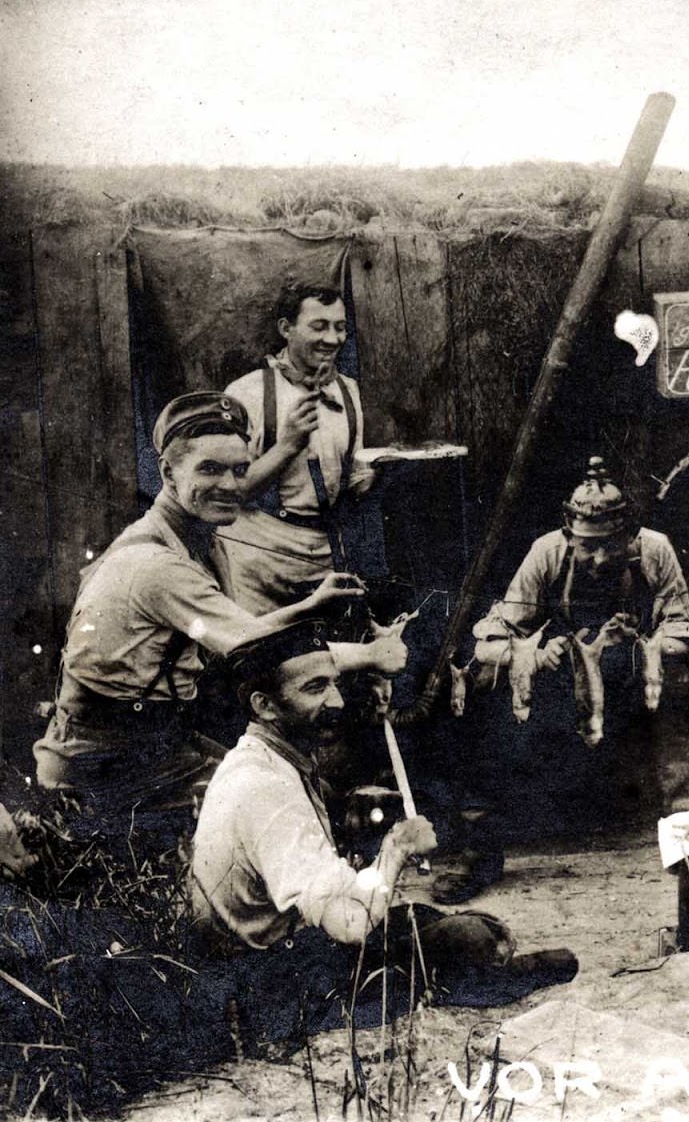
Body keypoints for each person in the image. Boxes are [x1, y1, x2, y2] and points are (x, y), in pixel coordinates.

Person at [33, 392, 399, 851]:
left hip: (155, 748)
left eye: (240, 470)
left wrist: (310, 607)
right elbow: (253, 648)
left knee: (298, 797)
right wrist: (369, 656)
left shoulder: (199, 543)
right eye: (209, 469)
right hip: (103, 769)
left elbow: (238, 629)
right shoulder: (157, 565)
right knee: (284, 814)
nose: (230, 485)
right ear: (168, 472)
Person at [188, 619, 575, 1041]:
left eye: (335, 684)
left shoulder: (261, 757)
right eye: (316, 689)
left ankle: (473, 953)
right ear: (264, 705)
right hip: (266, 978)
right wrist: (397, 848)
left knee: (423, 920)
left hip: (267, 949)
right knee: (464, 941)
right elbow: (350, 923)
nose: (335, 701)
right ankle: (495, 970)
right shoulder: (266, 788)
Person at [438, 457, 689, 904]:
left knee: (682, 685)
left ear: (629, 536)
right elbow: (490, 639)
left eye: (611, 544)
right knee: (493, 698)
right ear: (569, 536)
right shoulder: (547, 552)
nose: (599, 557)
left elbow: (684, 630)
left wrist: (643, 644)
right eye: (587, 547)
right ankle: (480, 851)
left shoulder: (655, 550)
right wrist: (531, 655)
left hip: (637, 671)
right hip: (566, 675)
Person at [213, 283, 376, 614]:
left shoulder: (349, 392)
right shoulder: (246, 394)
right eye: (319, 326)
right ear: (286, 329)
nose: (332, 339)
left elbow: (356, 480)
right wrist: (288, 445)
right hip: (259, 561)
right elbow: (227, 492)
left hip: (325, 558)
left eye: (340, 327)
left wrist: (379, 476)